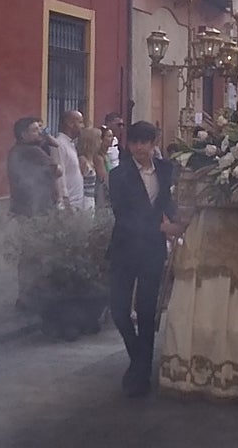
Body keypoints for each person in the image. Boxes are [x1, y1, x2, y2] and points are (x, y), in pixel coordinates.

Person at [107, 120, 183, 398]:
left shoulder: (167, 170)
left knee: (148, 311)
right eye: (134, 142)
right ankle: (139, 358)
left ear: (154, 144)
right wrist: (163, 228)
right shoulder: (119, 175)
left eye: (144, 142)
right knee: (118, 309)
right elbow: (123, 216)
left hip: (152, 250)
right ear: (128, 144)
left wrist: (180, 221)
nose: (139, 147)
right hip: (125, 248)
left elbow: (168, 203)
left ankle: (140, 372)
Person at [6, 116, 60, 217]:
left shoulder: (16, 149)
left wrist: (45, 135)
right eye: (35, 130)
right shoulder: (33, 150)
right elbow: (57, 171)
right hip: (37, 207)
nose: (40, 132)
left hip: (21, 206)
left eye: (40, 129)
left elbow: (56, 144)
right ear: (24, 135)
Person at [54, 110, 87, 210]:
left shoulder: (71, 143)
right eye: (80, 122)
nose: (83, 126)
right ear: (70, 124)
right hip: (69, 204)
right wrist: (65, 199)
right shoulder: (59, 144)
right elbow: (59, 174)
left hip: (77, 202)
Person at [76, 126, 106, 213]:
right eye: (99, 139)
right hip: (84, 200)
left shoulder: (93, 159)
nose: (101, 141)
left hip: (91, 198)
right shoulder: (83, 160)